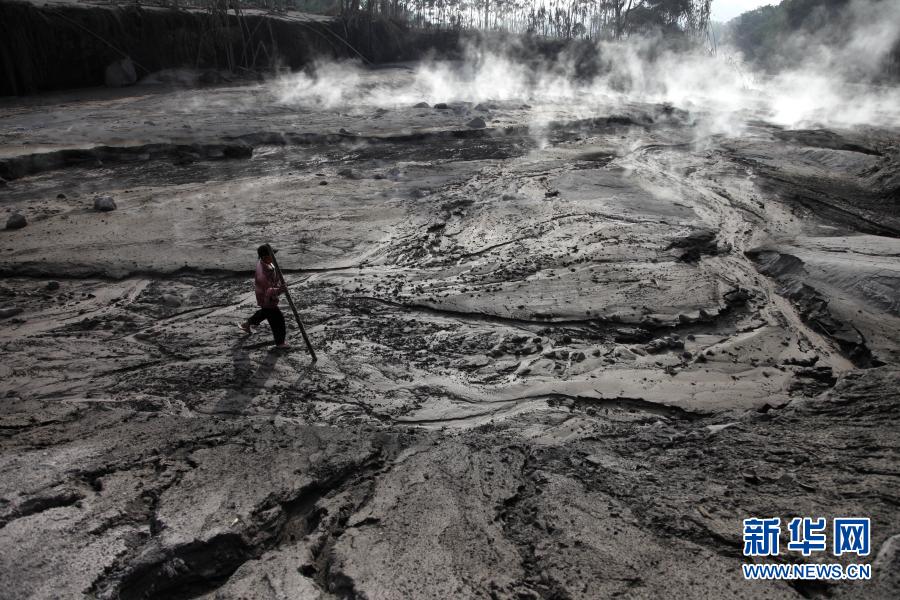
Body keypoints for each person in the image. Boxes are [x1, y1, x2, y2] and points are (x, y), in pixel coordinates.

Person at [239, 245, 289, 349]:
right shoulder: (261, 272)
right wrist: (280, 290)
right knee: (277, 320)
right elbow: (267, 290)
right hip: (266, 298)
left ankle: (246, 324)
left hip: (266, 298)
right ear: (265, 256)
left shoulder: (267, 262)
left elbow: (274, 276)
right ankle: (280, 343)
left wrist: (280, 282)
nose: (274, 257)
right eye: (272, 255)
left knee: (264, 313)